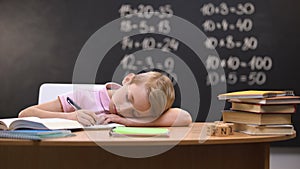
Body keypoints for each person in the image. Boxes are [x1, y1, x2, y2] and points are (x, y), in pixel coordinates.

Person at [19, 71, 192, 126]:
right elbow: (25, 114)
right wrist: (70, 117)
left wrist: (129, 122)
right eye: (128, 98)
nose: (123, 110)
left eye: (134, 112)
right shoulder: (84, 97)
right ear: (127, 79)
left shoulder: (133, 116)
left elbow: (185, 118)